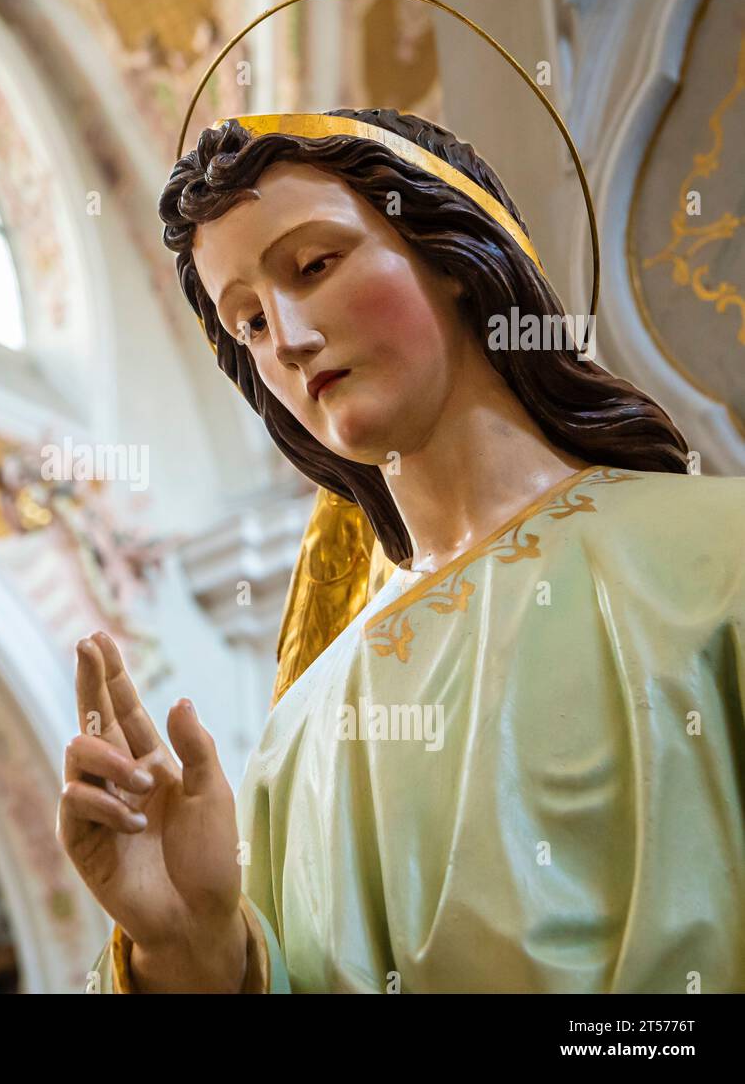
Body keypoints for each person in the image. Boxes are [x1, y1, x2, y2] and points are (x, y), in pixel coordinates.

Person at [56, 109, 745, 992]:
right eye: (251, 323)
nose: (291, 338)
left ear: (455, 255)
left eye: (314, 265)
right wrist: (190, 953)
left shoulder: (716, 557)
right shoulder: (300, 733)